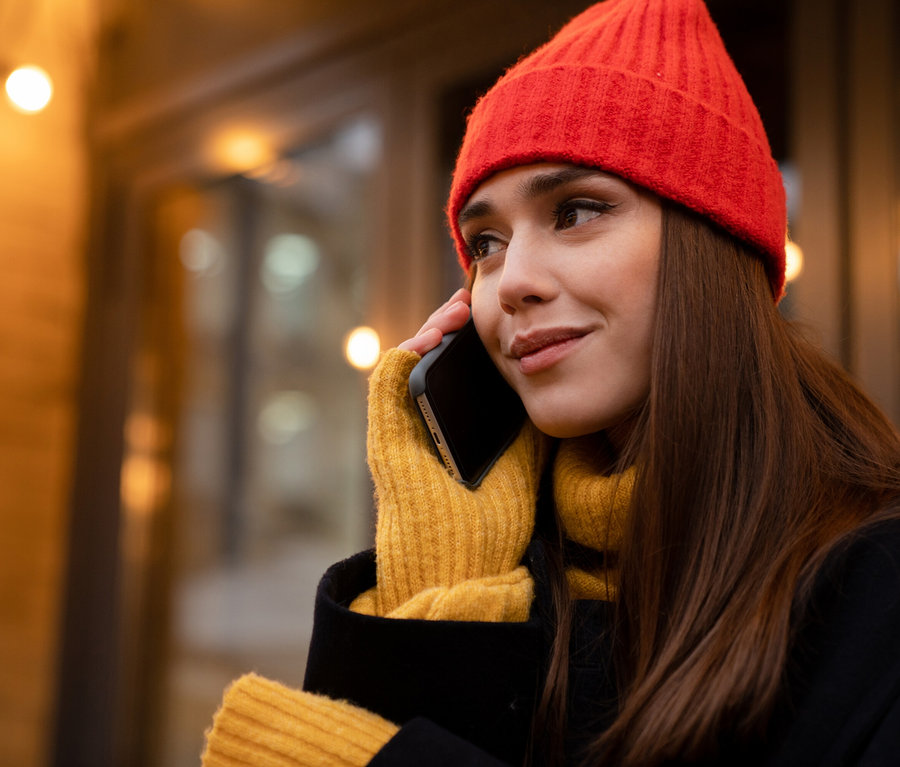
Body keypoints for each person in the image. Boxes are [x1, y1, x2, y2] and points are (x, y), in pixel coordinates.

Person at [200, 0, 900, 764]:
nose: (512, 282)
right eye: (486, 242)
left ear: (714, 244)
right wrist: (449, 563)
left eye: (576, 211)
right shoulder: (514, 560)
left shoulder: (872, 586)